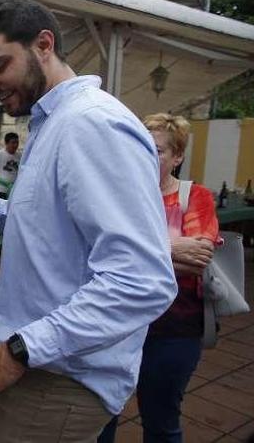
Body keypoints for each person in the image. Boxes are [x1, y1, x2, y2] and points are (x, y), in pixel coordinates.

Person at [0, 0, 176, 442]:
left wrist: (19, 351)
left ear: (43, 45)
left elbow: (142, 279)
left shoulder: (89, 124)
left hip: (58, 378)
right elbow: (41, 227)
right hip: (44, 371)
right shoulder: (52, 123)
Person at [98, 113, 219, 443]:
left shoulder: (196, 198)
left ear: (178, 156)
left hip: (173, 330)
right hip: (116, 327)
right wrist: (169, 250)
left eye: (158, 150)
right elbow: (95, 257)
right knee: (100, 420)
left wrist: (125, 253)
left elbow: (198, 260)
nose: (144, 156)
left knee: (161, 421)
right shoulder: (117, 197)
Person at [0, 132, 20, 198]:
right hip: (0, 190)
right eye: (13, 142)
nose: (15, 145)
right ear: (6, 143)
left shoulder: (20, 156)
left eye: (17, 142)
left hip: (14, 190)